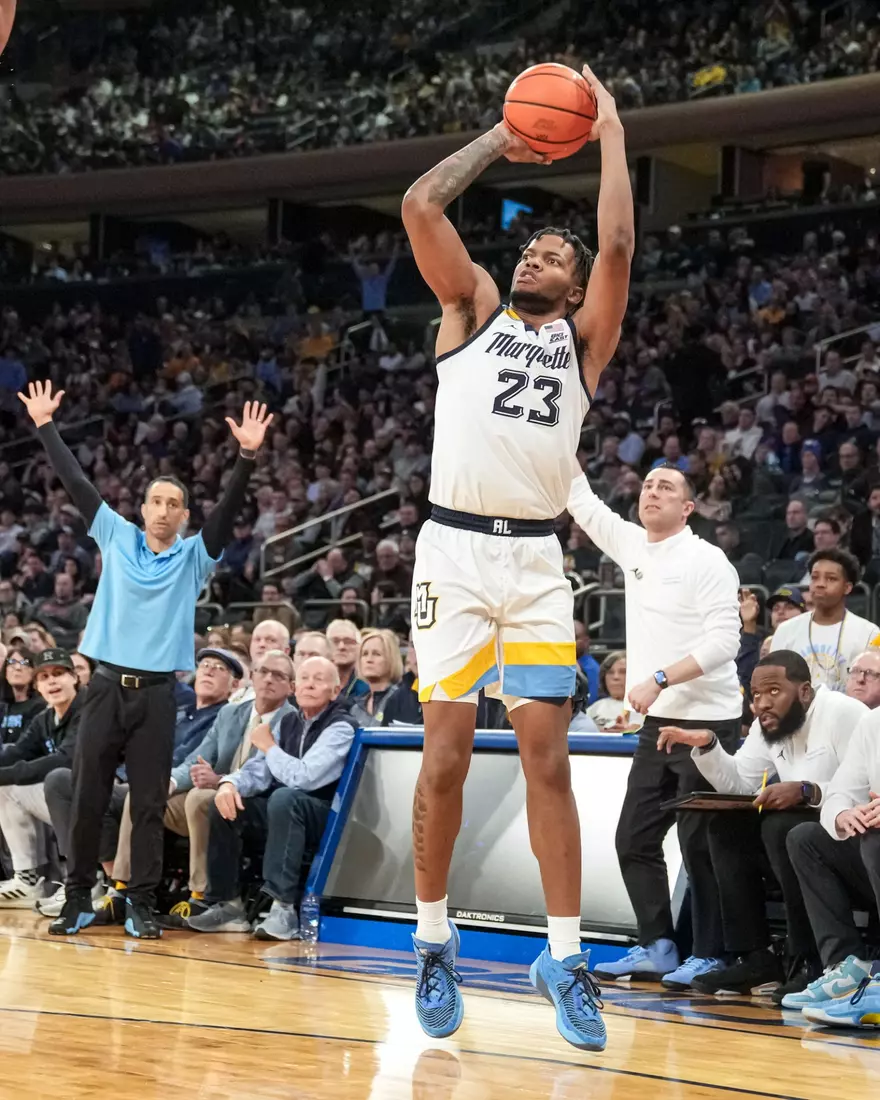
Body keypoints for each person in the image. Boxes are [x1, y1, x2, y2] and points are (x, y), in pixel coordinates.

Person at [401, 64, 633, 1050]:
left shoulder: (584, 342)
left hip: (536, 562)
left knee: (547, 758)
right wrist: (503, 136)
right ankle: (432, 937)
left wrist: (611, 130)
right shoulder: (472, 309)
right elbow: (419, 203)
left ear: (575, 286)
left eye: (551, 254)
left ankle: (564, 952)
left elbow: (618, 239)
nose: (534, 257)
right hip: (449, 554)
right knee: (445, 759)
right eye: (530, 247)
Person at [18, 381, 273, 938]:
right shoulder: (115, 534)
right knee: (86, 795)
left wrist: (247, 457)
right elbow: (77, 482)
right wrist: (45, 426)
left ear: (184, 515)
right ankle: (79, 895)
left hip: (158, 693)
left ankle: (139, 900)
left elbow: (227, 515)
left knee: (150, 802)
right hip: (105, 687)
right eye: (155, 501)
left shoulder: (193, 558)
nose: (163, 511)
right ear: (142, 509)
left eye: (173, 504)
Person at [567, 465, 742, 990]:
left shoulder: (708, 559)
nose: (652, 492)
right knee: (634, 838)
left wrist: (660, 679)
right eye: (646, 485)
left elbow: (724, 643)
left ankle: (710, 954)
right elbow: (582, 499)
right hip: (656, 723)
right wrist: (558, 427)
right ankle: (660, 946)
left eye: (667, 487)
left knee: (700, 846)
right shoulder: (634, 546)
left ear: (688, 509)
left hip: (708, 722)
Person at [657, 651, 867, 999]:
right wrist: (709, 745)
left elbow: (864, 787)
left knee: (782, 827)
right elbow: (740, 782)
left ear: (803, 692)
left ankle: (808, 959)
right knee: (727, 828)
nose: (761, 703)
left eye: (773, 691)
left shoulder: (844, 714)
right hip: (800, 834)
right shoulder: (769, 725)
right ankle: (756, 957)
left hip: (847, 837)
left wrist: (807, 791)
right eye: (755, 695)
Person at [188, 656, 357, 938]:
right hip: (288, 810)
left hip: (328, 817)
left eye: (319, 679)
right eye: (304, 678)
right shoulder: (288, 721)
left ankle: (284, 909)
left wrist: (268, 746)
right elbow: (257, 772)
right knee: (226, 804)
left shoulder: (341, 726)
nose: (310, 685)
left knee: (284, 797)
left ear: (335, 690)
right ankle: (228, 905)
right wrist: (229, 784)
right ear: (295, 686)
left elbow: (304, 778)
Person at [784, 652, 880, 1021]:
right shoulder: (871, 724)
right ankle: (847, 969)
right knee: (805, 837)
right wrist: (844, 814)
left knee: (875, 840)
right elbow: (840, 792)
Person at [0, 649, 83, 906]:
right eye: (45, 677)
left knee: (57, 779)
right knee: (5, 789)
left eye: (59, 674)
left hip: (103, 798)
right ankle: (27, 879)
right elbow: (16, 753)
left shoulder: (88, 712)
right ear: (37, 685)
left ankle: (88, 881)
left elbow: (66, 760)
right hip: (67, 798)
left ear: (75, 678)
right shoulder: (45, 719)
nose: (53, 681)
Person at [770, 548, 880, 691]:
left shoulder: (869, 633)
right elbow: (773, 680)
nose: (820, 584)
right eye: (815, 577)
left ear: (847, 587)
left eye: (831, 578)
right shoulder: (786, 630)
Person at [586, 652, 642, 732]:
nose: (616, 677)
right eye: (610, 672)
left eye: (623, 672)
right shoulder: (595, 708)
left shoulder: (645, 710)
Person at [0, 645, 44, 745]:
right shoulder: (3, 707)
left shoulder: (40, 707)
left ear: (34, 670)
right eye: (12, 662)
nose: (17, 667)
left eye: (24, 663)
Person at [359, 629, 403, 721]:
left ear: (391, 659)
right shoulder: (355, 707)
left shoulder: (401, 701)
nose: (369, 659)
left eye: (376, 654)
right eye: (364, 654)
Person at [326, 619, 369, 700]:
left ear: (359, 647)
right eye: (335, 641)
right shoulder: (315, 683)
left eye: (348, 641)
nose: (341, 647)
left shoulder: (369, 686)